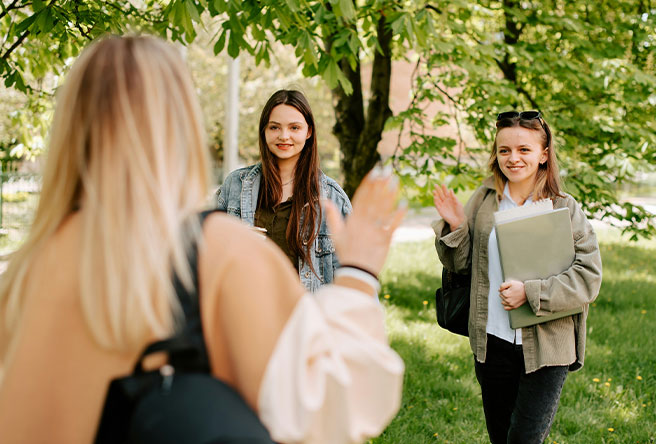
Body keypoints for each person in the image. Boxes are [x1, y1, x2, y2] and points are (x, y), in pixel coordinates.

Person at [0, 35, 406, 444]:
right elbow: (329, 411)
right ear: (179, 123)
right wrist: (358, 275)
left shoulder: (25, 269)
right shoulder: (214, 251)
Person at [432, 111, 603, 444]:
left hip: (546, 348)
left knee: (524, 439)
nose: (513, 158)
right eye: (504, 150)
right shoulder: (483, 203)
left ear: (543, 154)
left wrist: (532, 293)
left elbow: (589, 277)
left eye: (524, 150)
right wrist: (456, 227)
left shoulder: (564, 208)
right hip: (491, 343)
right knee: (500, 437)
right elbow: (462, 266)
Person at [216, 89, 351, 292]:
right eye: (275, 127)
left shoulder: (332, 197)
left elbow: (349, 276)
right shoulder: (235, 185)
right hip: (246, 315)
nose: (284, 136)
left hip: (304, 318)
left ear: (309, 132)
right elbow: (209, 253)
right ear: (264, 131)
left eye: (294, 127)